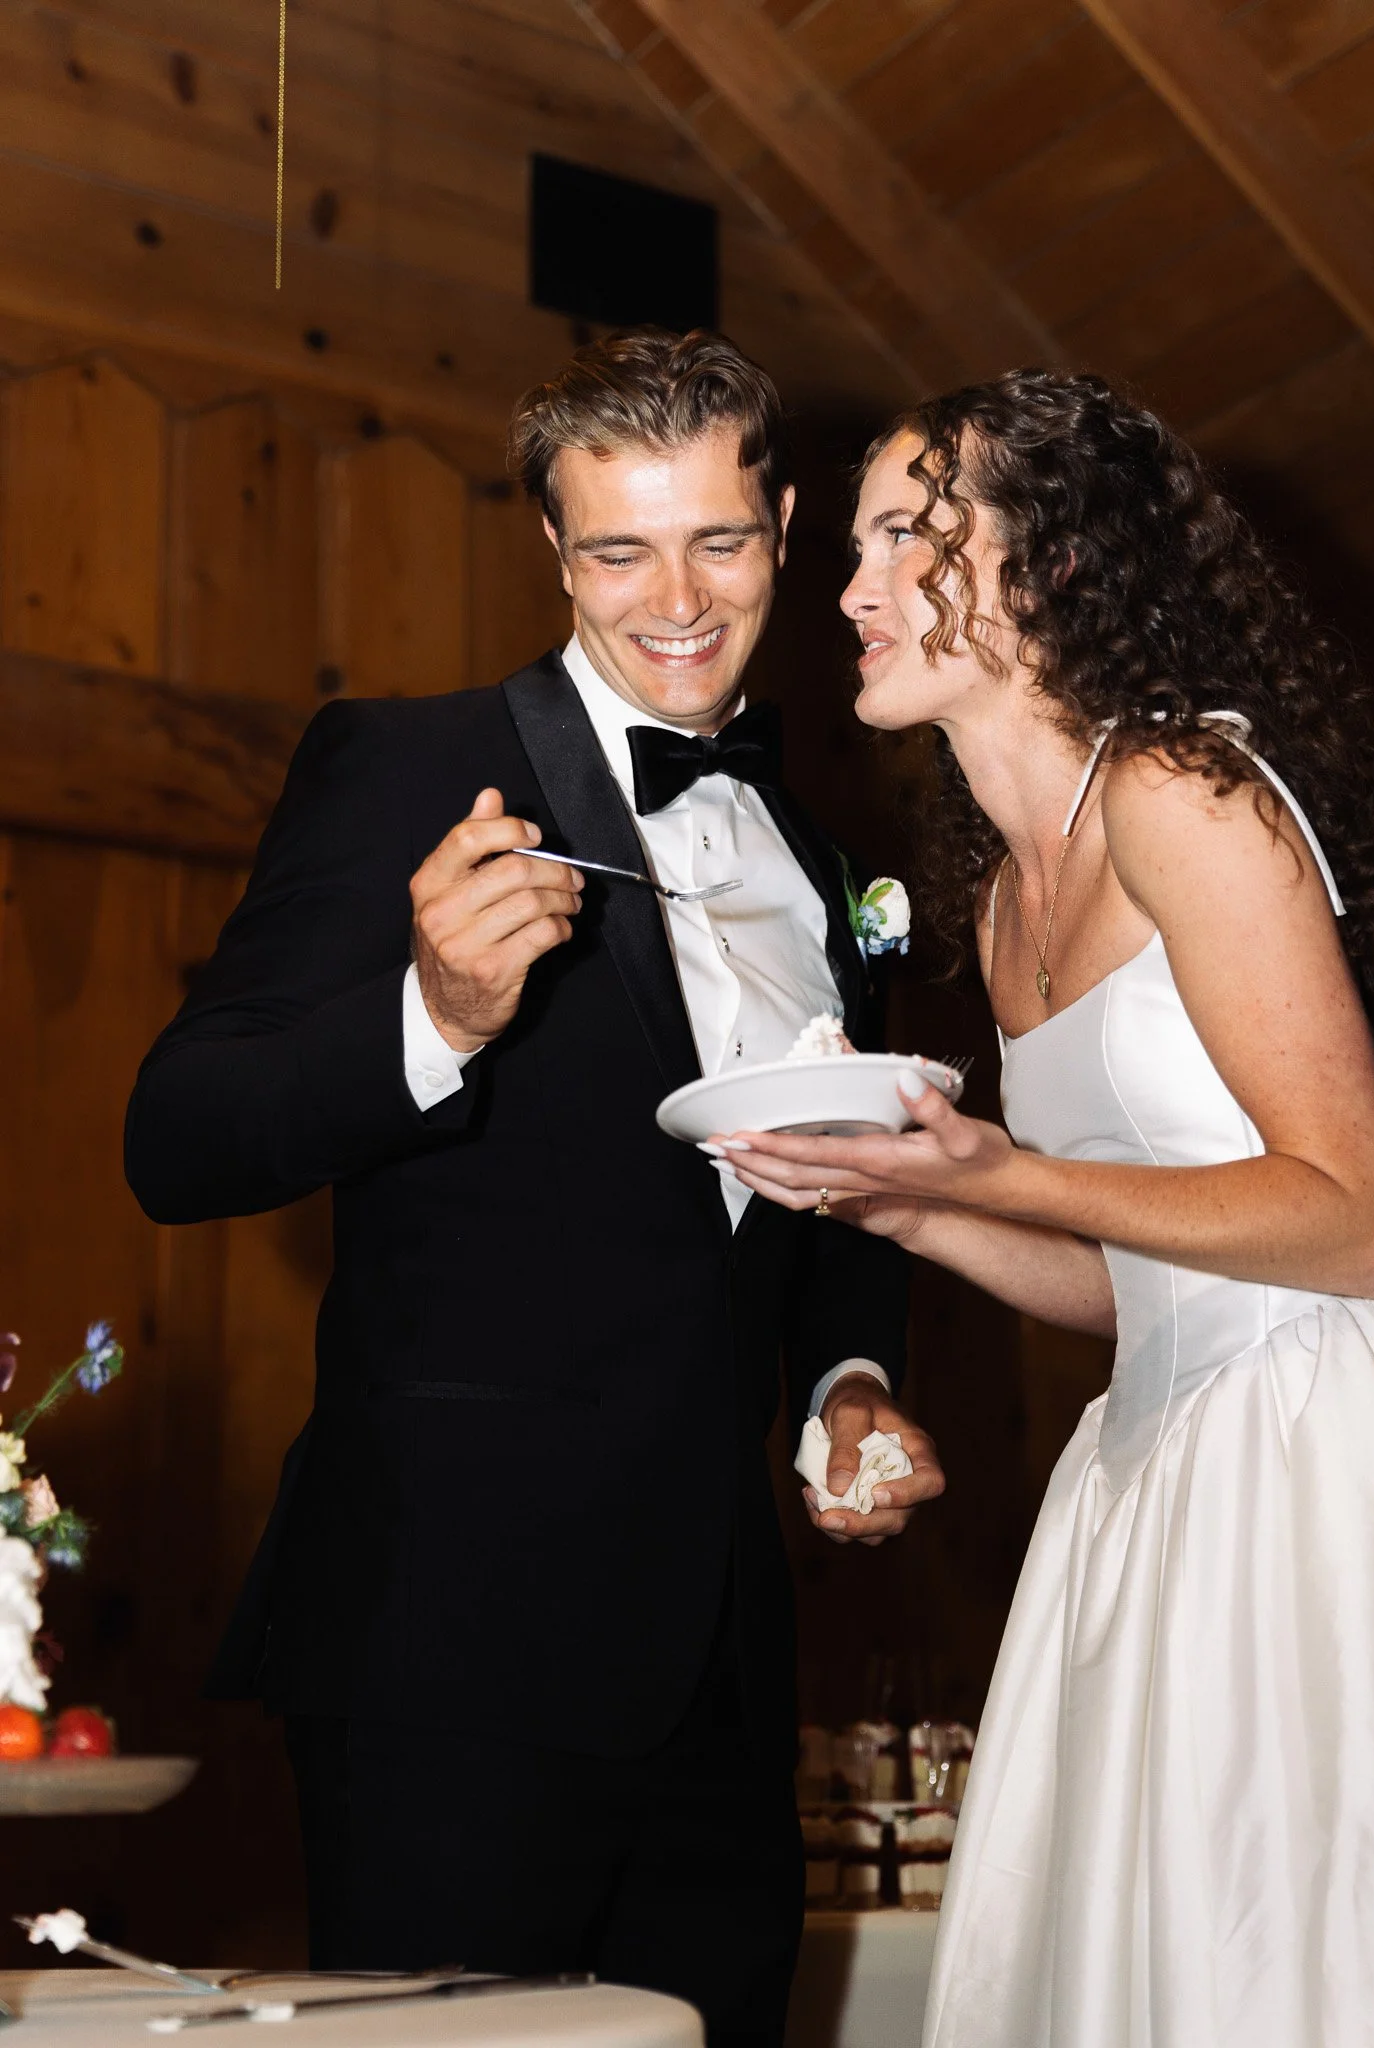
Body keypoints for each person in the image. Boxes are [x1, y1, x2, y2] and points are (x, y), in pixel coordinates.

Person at [123, 328, 945, 2046]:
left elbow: (831, 1212)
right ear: (553, 552)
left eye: (718, 539)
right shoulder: (407, 763)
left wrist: (845, 1383)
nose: (678, 599)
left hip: (725, 1678)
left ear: (786, 526)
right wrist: (432, 1016)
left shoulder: (834, 861)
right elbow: (174, 1136)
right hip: (450, 1651)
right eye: (619, 549)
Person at [717, 369, 1374, 2047]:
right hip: (1152, 1467)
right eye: (857, 544)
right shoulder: (1010, 892)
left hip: (1324, 1453)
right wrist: (895, 1203)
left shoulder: (1179, 792)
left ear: (1048, 576)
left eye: (904, 539)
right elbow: (1130, 1279)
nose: (854, 589)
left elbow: (1359, 1226)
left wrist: (997, 1168)